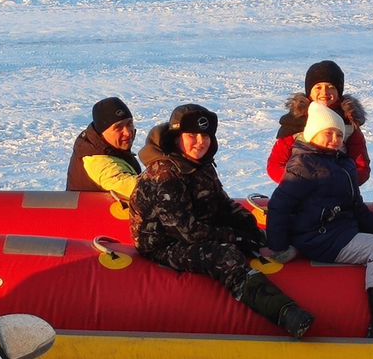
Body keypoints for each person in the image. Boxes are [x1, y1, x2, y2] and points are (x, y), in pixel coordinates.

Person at [129, 103, 314, 339]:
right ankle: (284, 312)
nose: (200, 141)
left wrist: (248, 226)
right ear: (177, 138)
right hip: (163, 243)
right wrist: (235, 238)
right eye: (191, 135)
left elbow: (221, 203)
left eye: (205, 135)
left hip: (198, 227)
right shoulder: (164, 174)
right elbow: (187, 232)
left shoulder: (201, 164)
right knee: (225, 255)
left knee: (254, 235)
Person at [266, 101, 373, 340]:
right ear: (313, 134)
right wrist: (279, 246)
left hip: (341, 231)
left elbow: (357, 209)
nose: (335, 139)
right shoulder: (303, 166)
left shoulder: (342, 164)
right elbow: (279, 206)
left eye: (339, 134)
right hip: (320, 238)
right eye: (328, 133)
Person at [267, 60, 371, 185]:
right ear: (309, 91)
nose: (324, 92)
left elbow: (361, 166)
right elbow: (276, 164)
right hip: (299, 192)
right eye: (318, 87)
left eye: (331, 87)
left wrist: (341, 183)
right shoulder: (295, 123)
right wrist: (295, 182)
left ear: (339, 91)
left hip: (337, 192)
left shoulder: (348, 123)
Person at [66, 97, 141, 199]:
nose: (127, 132)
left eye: (129, 123)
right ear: (102, 132)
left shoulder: (108, 149)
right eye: (118, 127)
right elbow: (142, 191)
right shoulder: (98, 163)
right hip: (91, 214)